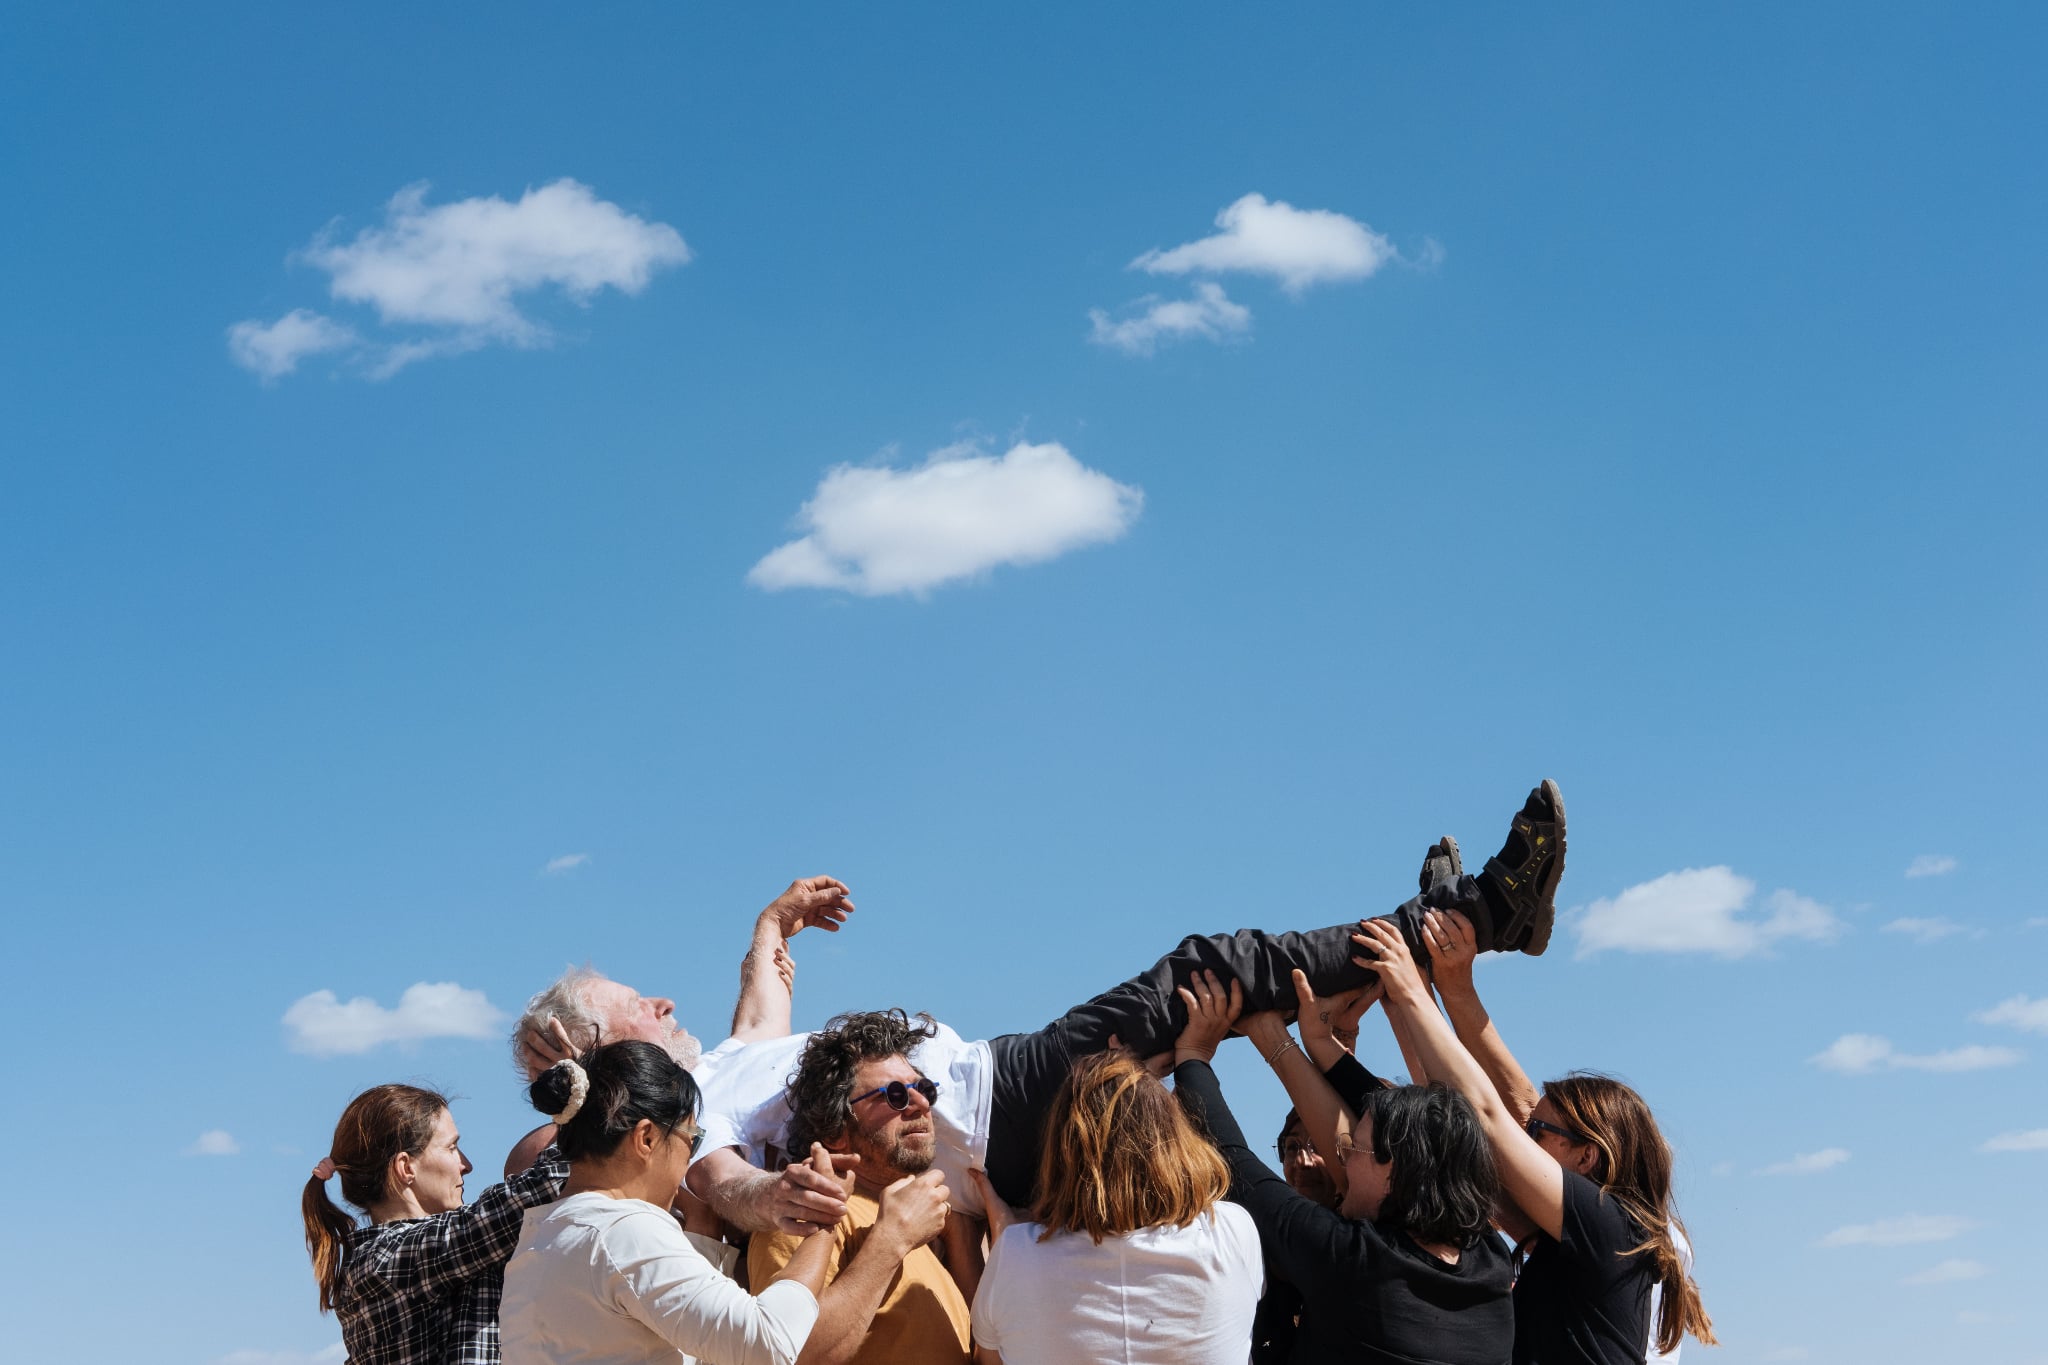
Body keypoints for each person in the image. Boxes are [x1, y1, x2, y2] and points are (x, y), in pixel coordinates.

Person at [643, 783, 1570, 1238]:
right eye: (639, 1011)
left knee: (1229, 993)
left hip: (1007, 1100)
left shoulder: (731, 1052)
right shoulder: (694, 1108)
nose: (662, 1004)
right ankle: (1478, 915)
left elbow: (764, 983)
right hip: (1007, 1098)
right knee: (1209, 970)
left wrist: (775, 920)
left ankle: (1424, 931)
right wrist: (772, 1197)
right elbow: (721, 1182)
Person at [1356, 914, 1717, 1365]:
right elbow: (1452, 1124)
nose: (1523, 1138)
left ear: (1587, 1157)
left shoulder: (1609, 1227)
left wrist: (1413, 991)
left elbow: (1488, 1117)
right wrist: (1411, 1005)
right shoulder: (1571, 1244)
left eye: (1537, 1132)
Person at [500, 1038, 949, 1365]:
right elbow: (769, 1344)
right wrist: (824, 1219)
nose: (689, 1159)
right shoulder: (622, 1229)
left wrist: (699, 1234)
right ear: (647, 1138)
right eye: (691, 1140)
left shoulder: (545, 1235)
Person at [1173, 968, 1516, 1365]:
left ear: (1395, 1173)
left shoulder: (1353, 1262)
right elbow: (1428, 1129)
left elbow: (1234, 1162)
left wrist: (1194, 1054)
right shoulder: (1488, 1260)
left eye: (1357, 1149)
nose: (1344, 1157)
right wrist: (1319, 1041)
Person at [967, 1050, 1263, 1365]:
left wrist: (1005, 1235)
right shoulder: (1230, 1231)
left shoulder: (1015, 1254)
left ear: (1061, 1151)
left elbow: (990, 1357)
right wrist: (1138, 1096)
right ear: (1174, 1137)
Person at [745, 1010, 973, 1365]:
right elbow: (790, 1353)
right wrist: (891, 1241)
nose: (922, 1105)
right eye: (895, 1095)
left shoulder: (918, 1223)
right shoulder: (806, 1217)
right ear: (836, 1131)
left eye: (923, 1089)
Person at [301, 1083, 570, 1365]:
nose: (466, 1164)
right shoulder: (387, 1259)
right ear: (406, 1168)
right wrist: (588, 1096)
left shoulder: (412, 1257)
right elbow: (537, 1190)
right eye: (452, 1147)